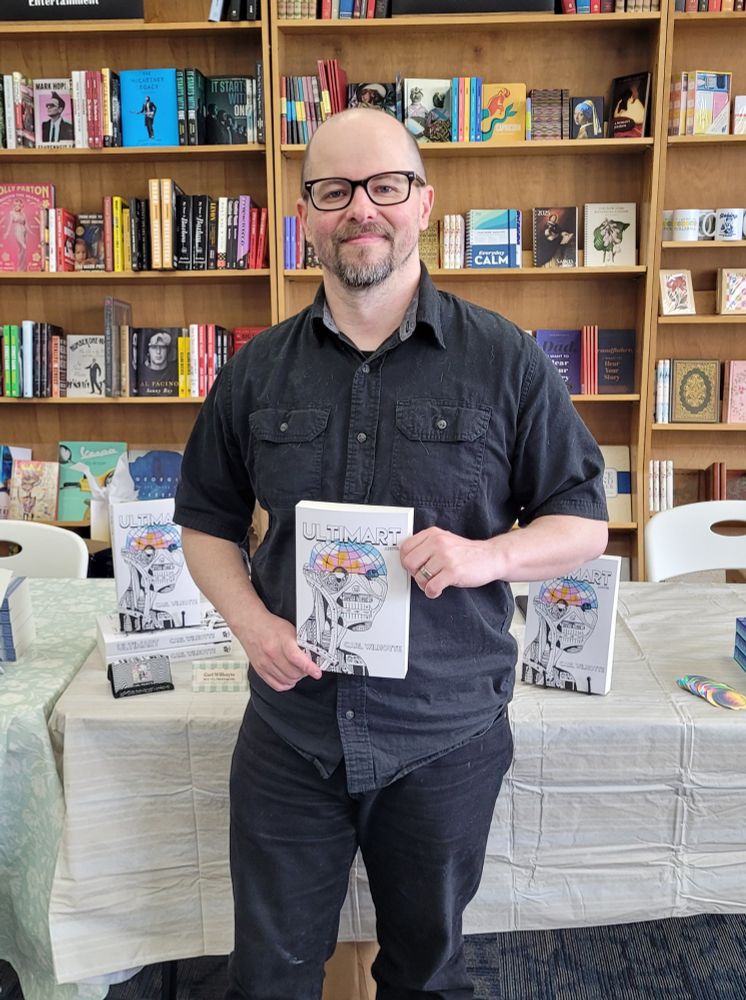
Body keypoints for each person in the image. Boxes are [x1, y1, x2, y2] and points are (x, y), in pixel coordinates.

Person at [173, 107, 608, 999]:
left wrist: (487, 556)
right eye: (334, 191)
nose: (360, 209)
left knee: (430, 974)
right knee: (269, 977)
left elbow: (584, 521)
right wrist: (252, 625)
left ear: (424, 204)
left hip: (445, 733)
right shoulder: (256, 370)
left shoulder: (507, 360)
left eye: (385, 186)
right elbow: (205, 522)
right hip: (292, 734)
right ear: (307, 216)